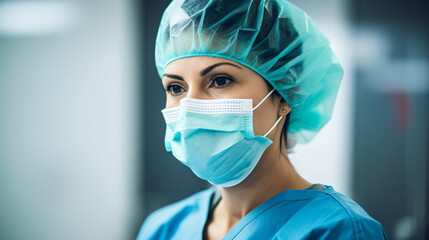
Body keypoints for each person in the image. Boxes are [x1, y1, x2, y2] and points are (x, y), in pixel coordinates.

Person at [137, 0, 388, 239]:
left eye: (221, 80)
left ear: (286, 93)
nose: (191, 106)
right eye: (176, 88)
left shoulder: (340, 231)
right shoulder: (163, 228)